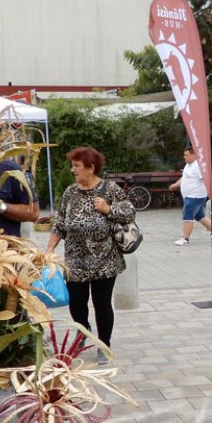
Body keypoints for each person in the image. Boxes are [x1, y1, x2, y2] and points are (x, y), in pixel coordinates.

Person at [45, 146, 134, 362]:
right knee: (76, 302)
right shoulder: (70, 193)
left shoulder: (110, 189)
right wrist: (49, 249)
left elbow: (129, 211)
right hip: (75, 261)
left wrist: (108, 209)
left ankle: (104, 344)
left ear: (90, 168)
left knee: (102, 304)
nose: (72, 170)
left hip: (105, 261)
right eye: (72, 165)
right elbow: (61, 223)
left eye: (76, 166)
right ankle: (83, 331)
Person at [168, 146, 212, 245]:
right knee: (200, 216)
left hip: (195, 196)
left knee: (187, 215)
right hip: (191, 196)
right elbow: (184, 178)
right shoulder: (188, 165)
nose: (184, 157)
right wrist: (175, 185)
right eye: (184, 155)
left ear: (194, 155)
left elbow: (206, 180)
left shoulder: (198, 167)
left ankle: (185, 239)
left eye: (186, 155)